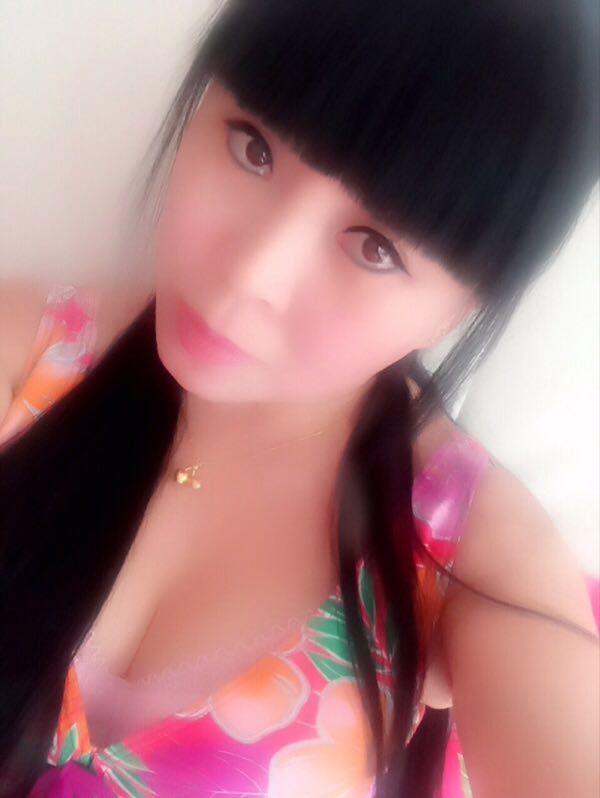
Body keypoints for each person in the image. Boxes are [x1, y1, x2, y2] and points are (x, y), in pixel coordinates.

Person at [0, 1, 598, 795]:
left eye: (374, 248)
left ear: (460, 310)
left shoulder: (475, 558)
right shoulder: (28, 353)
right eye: (251, 147)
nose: (251, 274)